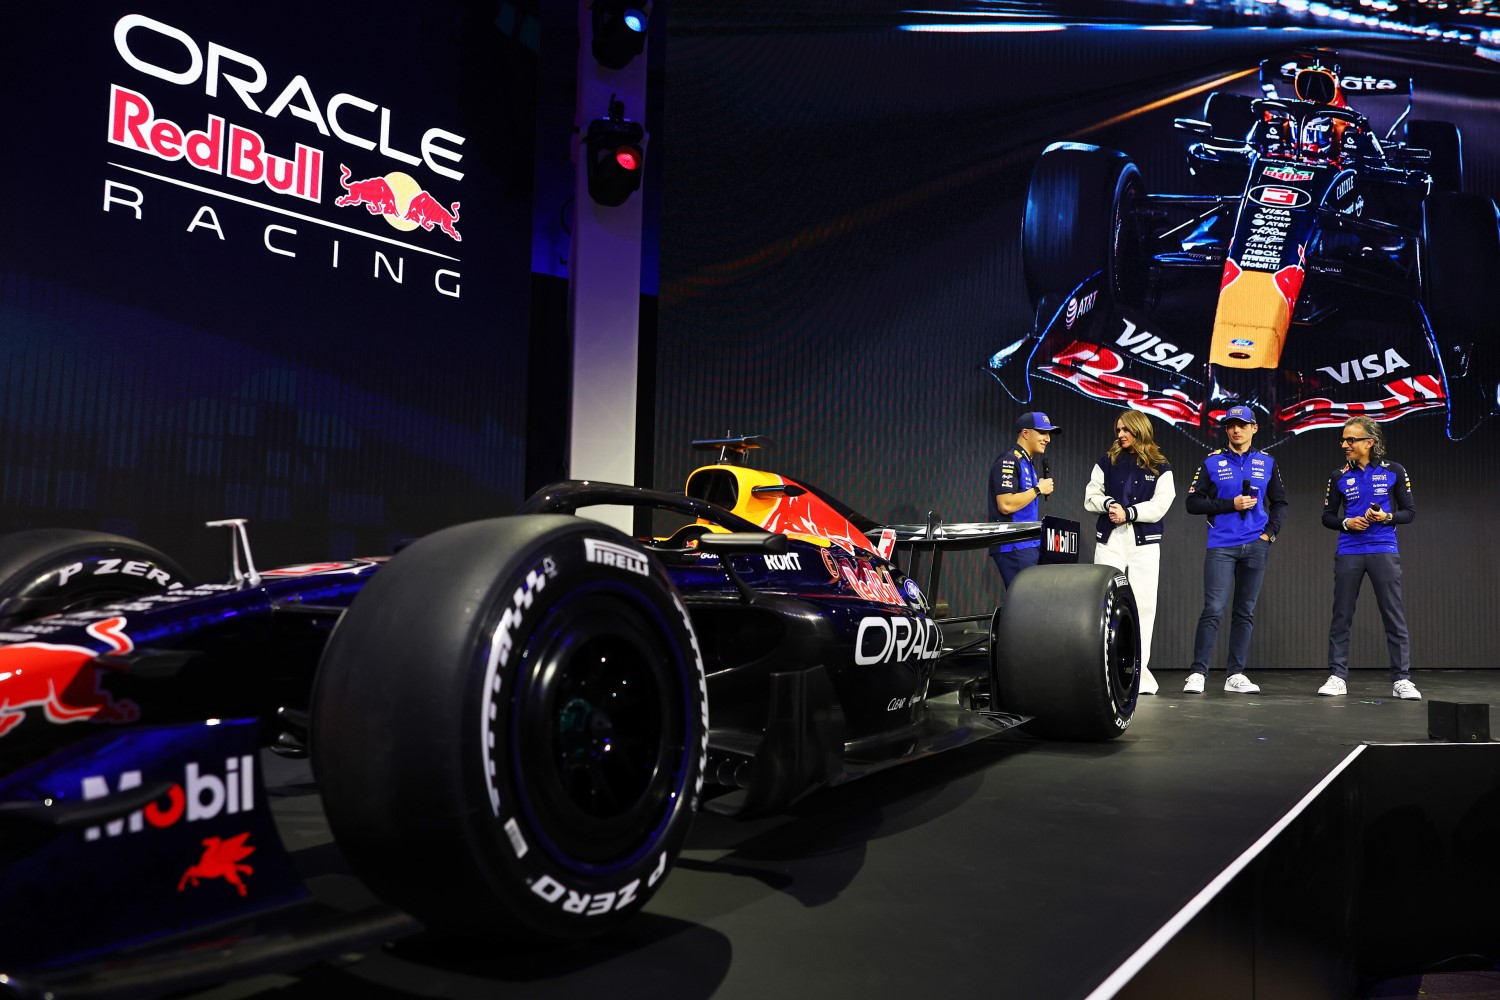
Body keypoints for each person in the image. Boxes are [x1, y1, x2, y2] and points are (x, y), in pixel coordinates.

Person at [1183, 405, 1288, 694]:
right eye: (1230, 425)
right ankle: (1197, 673)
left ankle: (1235, 675)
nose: (1235, 430)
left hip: (1256, 545)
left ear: (1254, 428)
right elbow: (1192, 503)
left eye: (1241, 425)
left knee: (1245, 612)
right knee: (1213, 609)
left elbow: (1280, 502)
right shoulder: (1211, 462)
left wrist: (1269, 534)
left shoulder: (1267, 462)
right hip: (1221, 545)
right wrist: (1231, 504)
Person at [1316, 417, 1419, 700]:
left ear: (1369, 443)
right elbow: (1327, 518)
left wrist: (1386, 517)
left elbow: (1409, 512)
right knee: (1342, 615)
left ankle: (1402, 679)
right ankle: (1337, 676)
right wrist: (1347, 523)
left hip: (1383, 548)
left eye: (1351, 440)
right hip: (1349, 550)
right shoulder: (1338, 475)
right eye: (1343, 440)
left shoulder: (1394, 471)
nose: (1345, 445)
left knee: (1393, 615)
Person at [1084, 411, 1175, 696]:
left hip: (1144, 543)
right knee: (1104, 603)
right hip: (1111, 540)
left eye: (1126, 430)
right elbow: (1090, 496)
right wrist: (1109, 504)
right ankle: (1103, 669)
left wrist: (1131, 513)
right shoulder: (1106, 461)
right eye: (1118, 429)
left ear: (1140, 430)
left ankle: (1139, 673)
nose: (1120, 434)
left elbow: (1162, 503)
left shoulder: (1161, 466)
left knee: (1144, 607)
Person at [988, 411, 1057, 589]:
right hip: (1013, 545)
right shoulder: (1009, 460)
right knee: (1026, 605)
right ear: (1025, 433)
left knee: (1033, 604)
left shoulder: (1028, 463)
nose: (1047, 439)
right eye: (1042, 432)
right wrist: (1038, 489)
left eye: (1049, 434)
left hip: (1028, 545)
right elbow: (1005, 504)